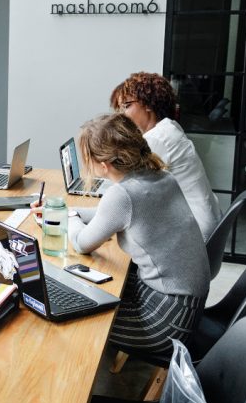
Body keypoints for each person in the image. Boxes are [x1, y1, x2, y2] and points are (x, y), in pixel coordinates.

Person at [68, 113, 210, 356]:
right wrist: (69, 212)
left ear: (104, 165)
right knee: (92, 284)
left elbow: (82, 243)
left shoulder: (122, 196)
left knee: (78, 317)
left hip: (169, 320)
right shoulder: (162, 177)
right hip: (188, 304)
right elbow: (110, 215)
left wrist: (69, 218)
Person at [110, 72, 221, 241]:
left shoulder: (158, 139)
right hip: (202, 223)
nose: (123, 114)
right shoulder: (169, 127)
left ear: (148, 104)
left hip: (195, 234)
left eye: (126, 105)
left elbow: (126, 189)